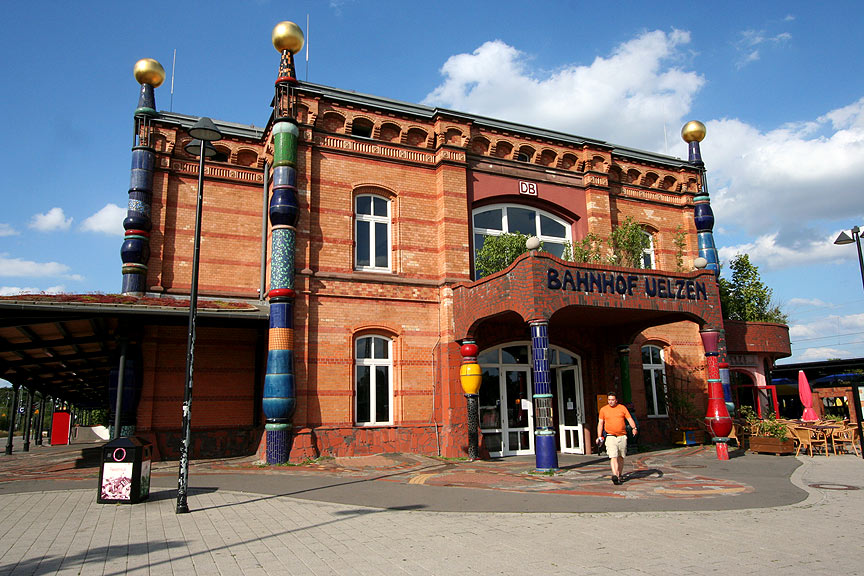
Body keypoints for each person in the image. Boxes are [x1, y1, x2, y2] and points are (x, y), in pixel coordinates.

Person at [597, 391, 637, 485]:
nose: (610, 402)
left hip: (622, 436)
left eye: (612, 400)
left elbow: (629, 419)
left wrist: (634, 428)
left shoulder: (622, 408)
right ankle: (615, 475)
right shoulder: (603, 410)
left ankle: (619, 474)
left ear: (616, 400)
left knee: (620, 456)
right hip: (610, 436)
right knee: (613, 456)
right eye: (609, 400)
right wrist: (599, 436)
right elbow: (600, 423)